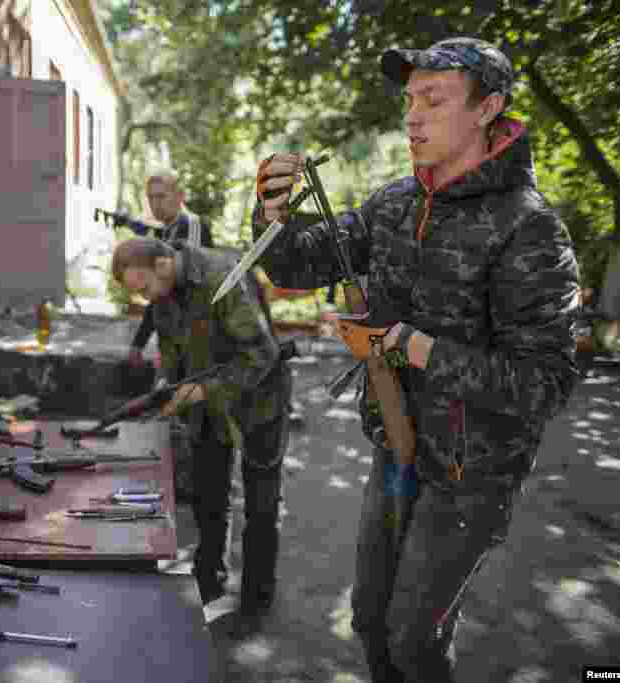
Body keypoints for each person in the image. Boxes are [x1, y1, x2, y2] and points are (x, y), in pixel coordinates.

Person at [253, 38, 579, 682]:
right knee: (371, 620)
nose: (412, 116)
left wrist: (410, 344)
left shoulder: (529, 227)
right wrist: (271, 210)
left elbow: (543, 384)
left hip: (472, 475)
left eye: (433, 99)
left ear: (489, 109)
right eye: (409, 99)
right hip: (397, 447)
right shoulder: (397, 202)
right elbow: (295, 263)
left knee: (414, 637)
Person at [111, 237, 291, 610]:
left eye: (144, 287)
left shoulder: (223, 277)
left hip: (260, 401)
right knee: (209, 495)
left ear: (163, 264)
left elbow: (263, 354)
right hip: (207, 404)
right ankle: (208, 580)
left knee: (261, 505)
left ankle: (257, 597)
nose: (145, 298)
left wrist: (201, 390)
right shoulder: (161, 297)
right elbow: (173, 357)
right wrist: (168, 390)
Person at [126, 169, 215, 368]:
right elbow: (159, 292)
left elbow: (195, 291)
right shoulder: (168, 232)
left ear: (179, 197)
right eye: (151, 197)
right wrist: (140, 343)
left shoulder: (192, 226)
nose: (155, 203)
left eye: (161, 196)